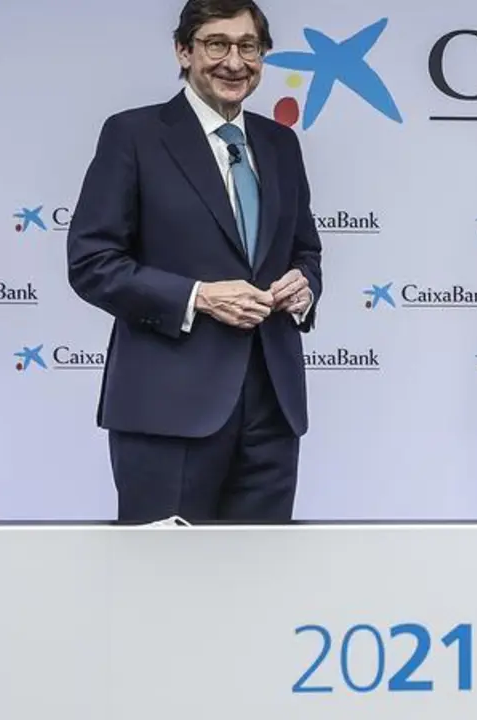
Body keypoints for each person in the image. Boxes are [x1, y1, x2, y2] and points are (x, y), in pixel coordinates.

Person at [66, 0, 322, 523]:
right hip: (167, 412)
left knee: (265, 572)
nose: (235, 61)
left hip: (274, 412)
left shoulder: (281, 144)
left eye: (249, 46)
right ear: (184, 52)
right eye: (217, 44)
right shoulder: (133, 135)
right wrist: (198, 297)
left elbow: (305, 249)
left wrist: (305, 286)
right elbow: (92, 261)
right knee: (164, 573)